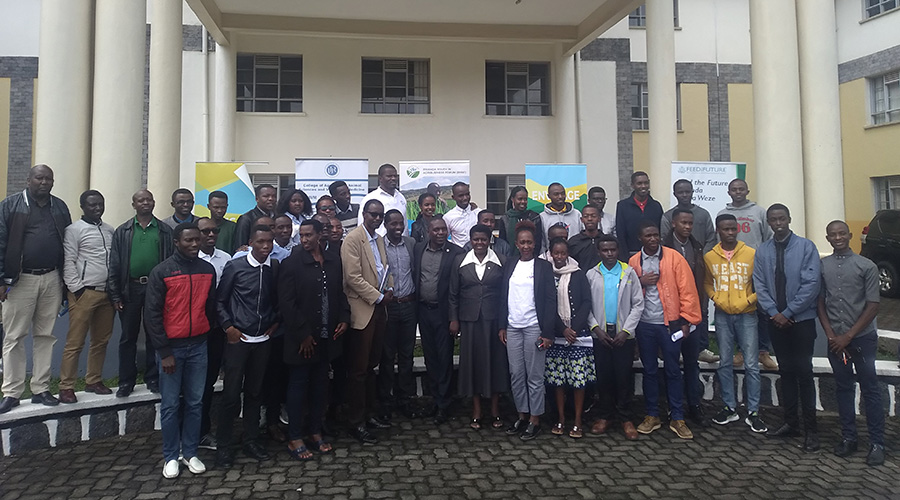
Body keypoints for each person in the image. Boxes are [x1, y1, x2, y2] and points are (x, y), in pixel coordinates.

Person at [144, 223, 216, 479]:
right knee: (171, 405)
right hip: (171, 348)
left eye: (197, 239)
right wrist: (164, 352)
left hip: (198, 346)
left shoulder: (207, 270)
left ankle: (191, 452)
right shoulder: (161, 272)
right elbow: (152, 315)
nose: (195, 244)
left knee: (196, 403)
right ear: (177, 242)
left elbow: (210, 307)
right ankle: (171, 456)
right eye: (189, 240)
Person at [0, 165, 72, 413]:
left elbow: (68, 243)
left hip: (52, 278)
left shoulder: (60, 206)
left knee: (45, 336)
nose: (44, 182)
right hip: (20, 281)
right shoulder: (10, 205)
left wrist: (66, 281)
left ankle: (41, 388)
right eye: (39, 178)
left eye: (48, 178)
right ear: (28, 179)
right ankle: (12, 392)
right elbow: (0, 242)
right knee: (14, 337)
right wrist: (1, 279)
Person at [280, 219, 349, 460]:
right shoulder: (291, 264)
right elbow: (287, 304)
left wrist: (344, 318)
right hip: (302, 340)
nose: (304, 239)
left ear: (320, 235)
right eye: (302, 235)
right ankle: (295, 436)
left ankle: (315, 431)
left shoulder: (332, 262)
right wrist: (303, 335)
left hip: (326, 336)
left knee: (321, 387)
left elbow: (339, 294)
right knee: (298, 387)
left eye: (309, 235)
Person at [753, 203, 820, 452]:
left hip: (800, 321)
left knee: (804, 372)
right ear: (768, 223)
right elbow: (759, 284)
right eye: (773, 219)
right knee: (787, 373)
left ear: (789, 219)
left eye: (782, 218)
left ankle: (811, 430)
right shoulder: (763, 251)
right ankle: (791, 423)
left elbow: (811, 283)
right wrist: (774, 313)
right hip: (776, 322)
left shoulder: (806, 247)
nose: (778, 223)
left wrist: (789, 312)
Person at [817, 220, 884, 466]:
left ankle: (877, 442)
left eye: (842, 233)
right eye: (832, 234)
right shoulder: (822, 266)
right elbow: (820, 302)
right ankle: (849, 437)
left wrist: (849, 335)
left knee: (870, 389)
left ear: (850, 235)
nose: (837, 238)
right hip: (835, 340)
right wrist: (831, 334)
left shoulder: (867, 266)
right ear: (827, 238)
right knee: (843, 388)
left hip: (862, 339)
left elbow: (873, 305)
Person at [214, 225, 280, 468]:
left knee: (254, 393)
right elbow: (219, 301)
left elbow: (277, 299)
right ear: (251, 242)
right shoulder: (236, 267)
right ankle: (224, 446)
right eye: (261, 241)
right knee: (231, 396)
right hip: (238, 340)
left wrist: (274, 323)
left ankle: (251, 440)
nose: (265, 247)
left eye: (269, 242)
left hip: (262, 341)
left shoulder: (273, 268)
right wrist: (229, 327)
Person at [629, 220, 701, 440]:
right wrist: (640, 280)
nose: (652, 239)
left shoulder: (674, 258)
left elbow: (687, 290)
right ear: (640, 238)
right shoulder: (633, 261)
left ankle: (677, 417)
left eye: (655, 235)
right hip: (644, 324)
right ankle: (652, 415)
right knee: (649, 370)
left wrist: (687, 320)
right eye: (647, 236)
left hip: (669, 324)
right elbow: (626, 290)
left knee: (672, 370)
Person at [704, 214, 767, 433]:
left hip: (747, 314)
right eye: (725, 229)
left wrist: (748, 301)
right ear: (718, 231)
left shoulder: (751, 253)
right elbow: (707, 283)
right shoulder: (710, 256)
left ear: (737, 229)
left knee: (751, 364)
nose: (730, 233)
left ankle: (754, 412)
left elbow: (761, 284)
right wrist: (716, 298)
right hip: (722, 315)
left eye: (733, 229)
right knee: (725, 363)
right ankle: (729, 407)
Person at [108, 189, 173, 398]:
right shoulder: (123, 231)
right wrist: (116, 295)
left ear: (154, 203)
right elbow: (115, 265)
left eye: (149, 199)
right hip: (130, 289)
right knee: (128, 336)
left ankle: (153, 377)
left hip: (156, 288)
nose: (145, 203)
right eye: (140, 200)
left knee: (155, 334)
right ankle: (126, 381)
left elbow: (170, 262)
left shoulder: (163, 230)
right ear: (133, 204)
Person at [341, 199, 393, 443]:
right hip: (362, 310)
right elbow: (352, 277)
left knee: (372, 365)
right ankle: (356, 422)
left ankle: (370, 414)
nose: (377, 219)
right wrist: (378, 297)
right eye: (373, 214)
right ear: (364, 214)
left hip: (380, 310)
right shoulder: (352, 239)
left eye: (380, 215)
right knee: (359, 370)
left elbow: (385, 269)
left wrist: (390, 288)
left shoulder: (379, 239)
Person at [499, 220, 556, 440]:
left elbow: (550, 300)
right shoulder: (510, 264)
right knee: (516, 374)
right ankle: (521, 415)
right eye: (522, 242)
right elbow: (504, 296)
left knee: (534, 376)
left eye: (529, 242)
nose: (525, 246)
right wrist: (502, 325)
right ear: (516, 243)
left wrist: (548, 333)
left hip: (534, 328)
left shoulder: (543, 267)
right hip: (513, 328)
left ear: (534, 244)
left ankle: (535, 419)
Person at [58, 190, 116, 404]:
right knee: (75, 342)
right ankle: (66, 386)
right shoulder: (74, 230)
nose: (97, 208)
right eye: (92, 205)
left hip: (106, 293)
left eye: (100, 204)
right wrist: (77, 289)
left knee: (101, 340)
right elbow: (69, 261)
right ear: (82, 206)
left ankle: (93, 380)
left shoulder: (109, 230)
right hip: (84, 293)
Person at [450, 224, 508, 431]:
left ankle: (494, 410)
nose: (480, 243)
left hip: (493, 323)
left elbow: (505, 296)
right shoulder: (460, 261)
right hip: (470, 322)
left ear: (490, 240)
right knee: (473, 364)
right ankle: (476, 411)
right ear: (470, 240)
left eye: (484, 239)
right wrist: (453, 319)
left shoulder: (501, 260)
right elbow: (453, 294)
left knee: (495, 364)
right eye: (476, 239)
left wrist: (504, 323)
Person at [586, 235, 643, 440]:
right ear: (599, 252)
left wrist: (626, 331)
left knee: (623, 377)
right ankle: (604, 416)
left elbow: (638, 304)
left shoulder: (628, 273)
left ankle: (626, 418)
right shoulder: (592, 274)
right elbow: (587, 306)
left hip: (623, 336)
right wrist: (596, 330)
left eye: (612, 250)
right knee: (604, 377)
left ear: (618, 250)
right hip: (601, 335)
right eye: (605, 250)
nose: (609, 254)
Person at [662, 208, 714, 427]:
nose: (687, 227)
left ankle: (694, 406)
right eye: (683, 222)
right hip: (671, 317)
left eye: (690, 223)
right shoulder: (663, 249)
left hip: (693, 314)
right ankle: (672, 408)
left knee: (692, 363)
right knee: (671, 364)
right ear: (674, 223)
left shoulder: (696, 246)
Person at [718, 178, 777, 371]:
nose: (738, 192)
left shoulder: (759, 212)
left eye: (741, 189)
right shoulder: (723, 213)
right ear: (729, 192)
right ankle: (741, 351)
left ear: (747, 190)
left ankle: (763, 351)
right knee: (736, 311)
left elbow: (768, 239)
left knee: (762, 311)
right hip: (732, 270)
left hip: (756, 267)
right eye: (734, 189)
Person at [414, 216, 465, 424]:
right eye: (436, 230)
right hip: (423, 311)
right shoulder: (418, 249)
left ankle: (444, 404)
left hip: (444, 314)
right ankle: (435, 400)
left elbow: (458, 290)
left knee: (444, 358)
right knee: (430, 356)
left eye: (444, 229)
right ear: (428, 231)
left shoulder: (456, 253)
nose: (441, 233)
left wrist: (455, 318)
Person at [544, 238, 593, 439]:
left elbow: (586, 302)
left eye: (563, 253)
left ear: (568, 254)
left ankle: (578, 420)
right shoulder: (545, 274)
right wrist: (562, 328)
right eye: (556, 253)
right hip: (556, 334)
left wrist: (574, 328)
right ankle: (561, 418)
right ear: (550, 254)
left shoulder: (578, 274)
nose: (559, 257)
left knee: (578, 380)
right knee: (558, 380)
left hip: (577, 335)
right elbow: (546, 304)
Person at [377, 210, 420, 421]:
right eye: (393, 223)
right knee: (386, 356)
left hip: (409, 305)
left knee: (407, 356)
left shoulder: (411, 244)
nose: (397, 227)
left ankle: (404, 400)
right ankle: (385, 402)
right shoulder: (378, 246)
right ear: (385, 224)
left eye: (400, 223)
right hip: (389, 307)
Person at [196, 217, 231, 451]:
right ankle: (191, 432)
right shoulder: (191, 260)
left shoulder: (226, 259)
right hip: (195, 331)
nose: (211, 235)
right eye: (205, 231)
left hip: (219, 330)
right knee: (195, 385)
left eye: (214, 231)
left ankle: (205, 431)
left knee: (209, 382)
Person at [616, 171, 664, 261]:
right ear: (632, 185)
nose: (643, 186)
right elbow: (621, 234)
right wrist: (625, 258)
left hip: (654, 255)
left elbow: (660, 231)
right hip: (631, 254)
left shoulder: (656, 206)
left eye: (646, 183)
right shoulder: (623, 206)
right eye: (639, 183)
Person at [660, 179, 716, 253]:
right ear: (675, 194)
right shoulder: (667, 217)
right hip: (676, 259)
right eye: (680, 192)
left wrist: (702, 256)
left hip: (701, 259)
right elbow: (665, 240)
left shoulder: (703, 214)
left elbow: (711, 238)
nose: (684, 195)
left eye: (687, 192)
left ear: (692, 192)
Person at [359, 164, 406, 236]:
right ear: (380, 178)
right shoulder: (370, 198)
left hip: (400, 243)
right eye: (389, 176)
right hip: (378, 243)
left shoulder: (401, 197)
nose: (393, 178)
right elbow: (361, 225)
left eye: (395, 176)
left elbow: (405, 223)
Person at [538, 183, 583, 253]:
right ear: (548, 196)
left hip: (574, 255)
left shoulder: (576, 214)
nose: (560, 197)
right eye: (556, 194)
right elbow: (542, 243)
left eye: (563, 193)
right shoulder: (542, 217)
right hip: (552, 257)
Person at [497, 186, 543, 254]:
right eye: (520, 199)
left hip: (531, 257)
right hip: (510, 259)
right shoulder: (505, 218)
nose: (523, 202)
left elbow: (538, 241)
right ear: (513, 199)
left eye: (525, 199)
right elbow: (503, 242)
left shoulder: (534, 217)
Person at [234, 184, 277, 252]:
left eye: (274, 196)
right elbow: (241, 247)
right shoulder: (246, 219)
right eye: (266, 196)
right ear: (257, 199)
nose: (271, 199)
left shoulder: (276, 217)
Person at [443, 182, 481, 247]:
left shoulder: (479, 213)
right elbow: (444, 238)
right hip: (457, 254)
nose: (465, 198)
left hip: (477, 253)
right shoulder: (448, 217)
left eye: (467, 194)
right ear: (453, 197)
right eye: (461, 195)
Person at [568, 204, 604, 269]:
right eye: (586, 216)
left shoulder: (606, 241)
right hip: (580, 277)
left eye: (593, 216)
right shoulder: (574, 242)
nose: (589, 219)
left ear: (599, 219)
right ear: (581, 220)